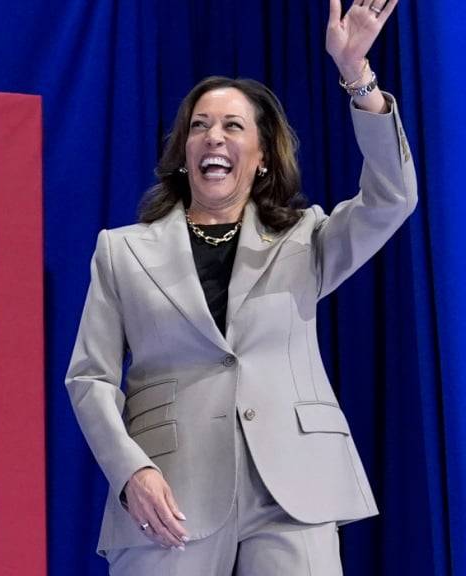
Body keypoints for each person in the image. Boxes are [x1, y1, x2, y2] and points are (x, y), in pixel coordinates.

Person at [65, 1, 412, 574]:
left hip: (293, 489)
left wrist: (358, 75)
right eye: (198, 126)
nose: (212, 137)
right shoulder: (122, 250)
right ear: (183, 156)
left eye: (232, 126)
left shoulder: (306, 238)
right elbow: (91, 377)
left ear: (262, 159)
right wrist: (131, 470)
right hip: (170, 490)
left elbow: (391, 198)